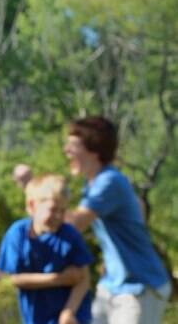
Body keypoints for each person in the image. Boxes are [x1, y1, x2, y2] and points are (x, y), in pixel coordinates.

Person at [64, 116, 171, 324]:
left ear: (94, 149)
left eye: (72, 145)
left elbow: (74, 224)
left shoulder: (109, 182)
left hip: (140, 287)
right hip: (112, 285)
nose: (66, 150)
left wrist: (38, 195)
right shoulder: (94, 183)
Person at [0, 174, 93, 324]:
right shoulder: (17, 234)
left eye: (63, 210)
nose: (58, 216)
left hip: (72, 317)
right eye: (53, 210)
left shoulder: (69, 234)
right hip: (36, 317)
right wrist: (59, 279)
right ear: (31, 206)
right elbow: (16, 279)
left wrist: (68, 313)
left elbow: (83, 279)